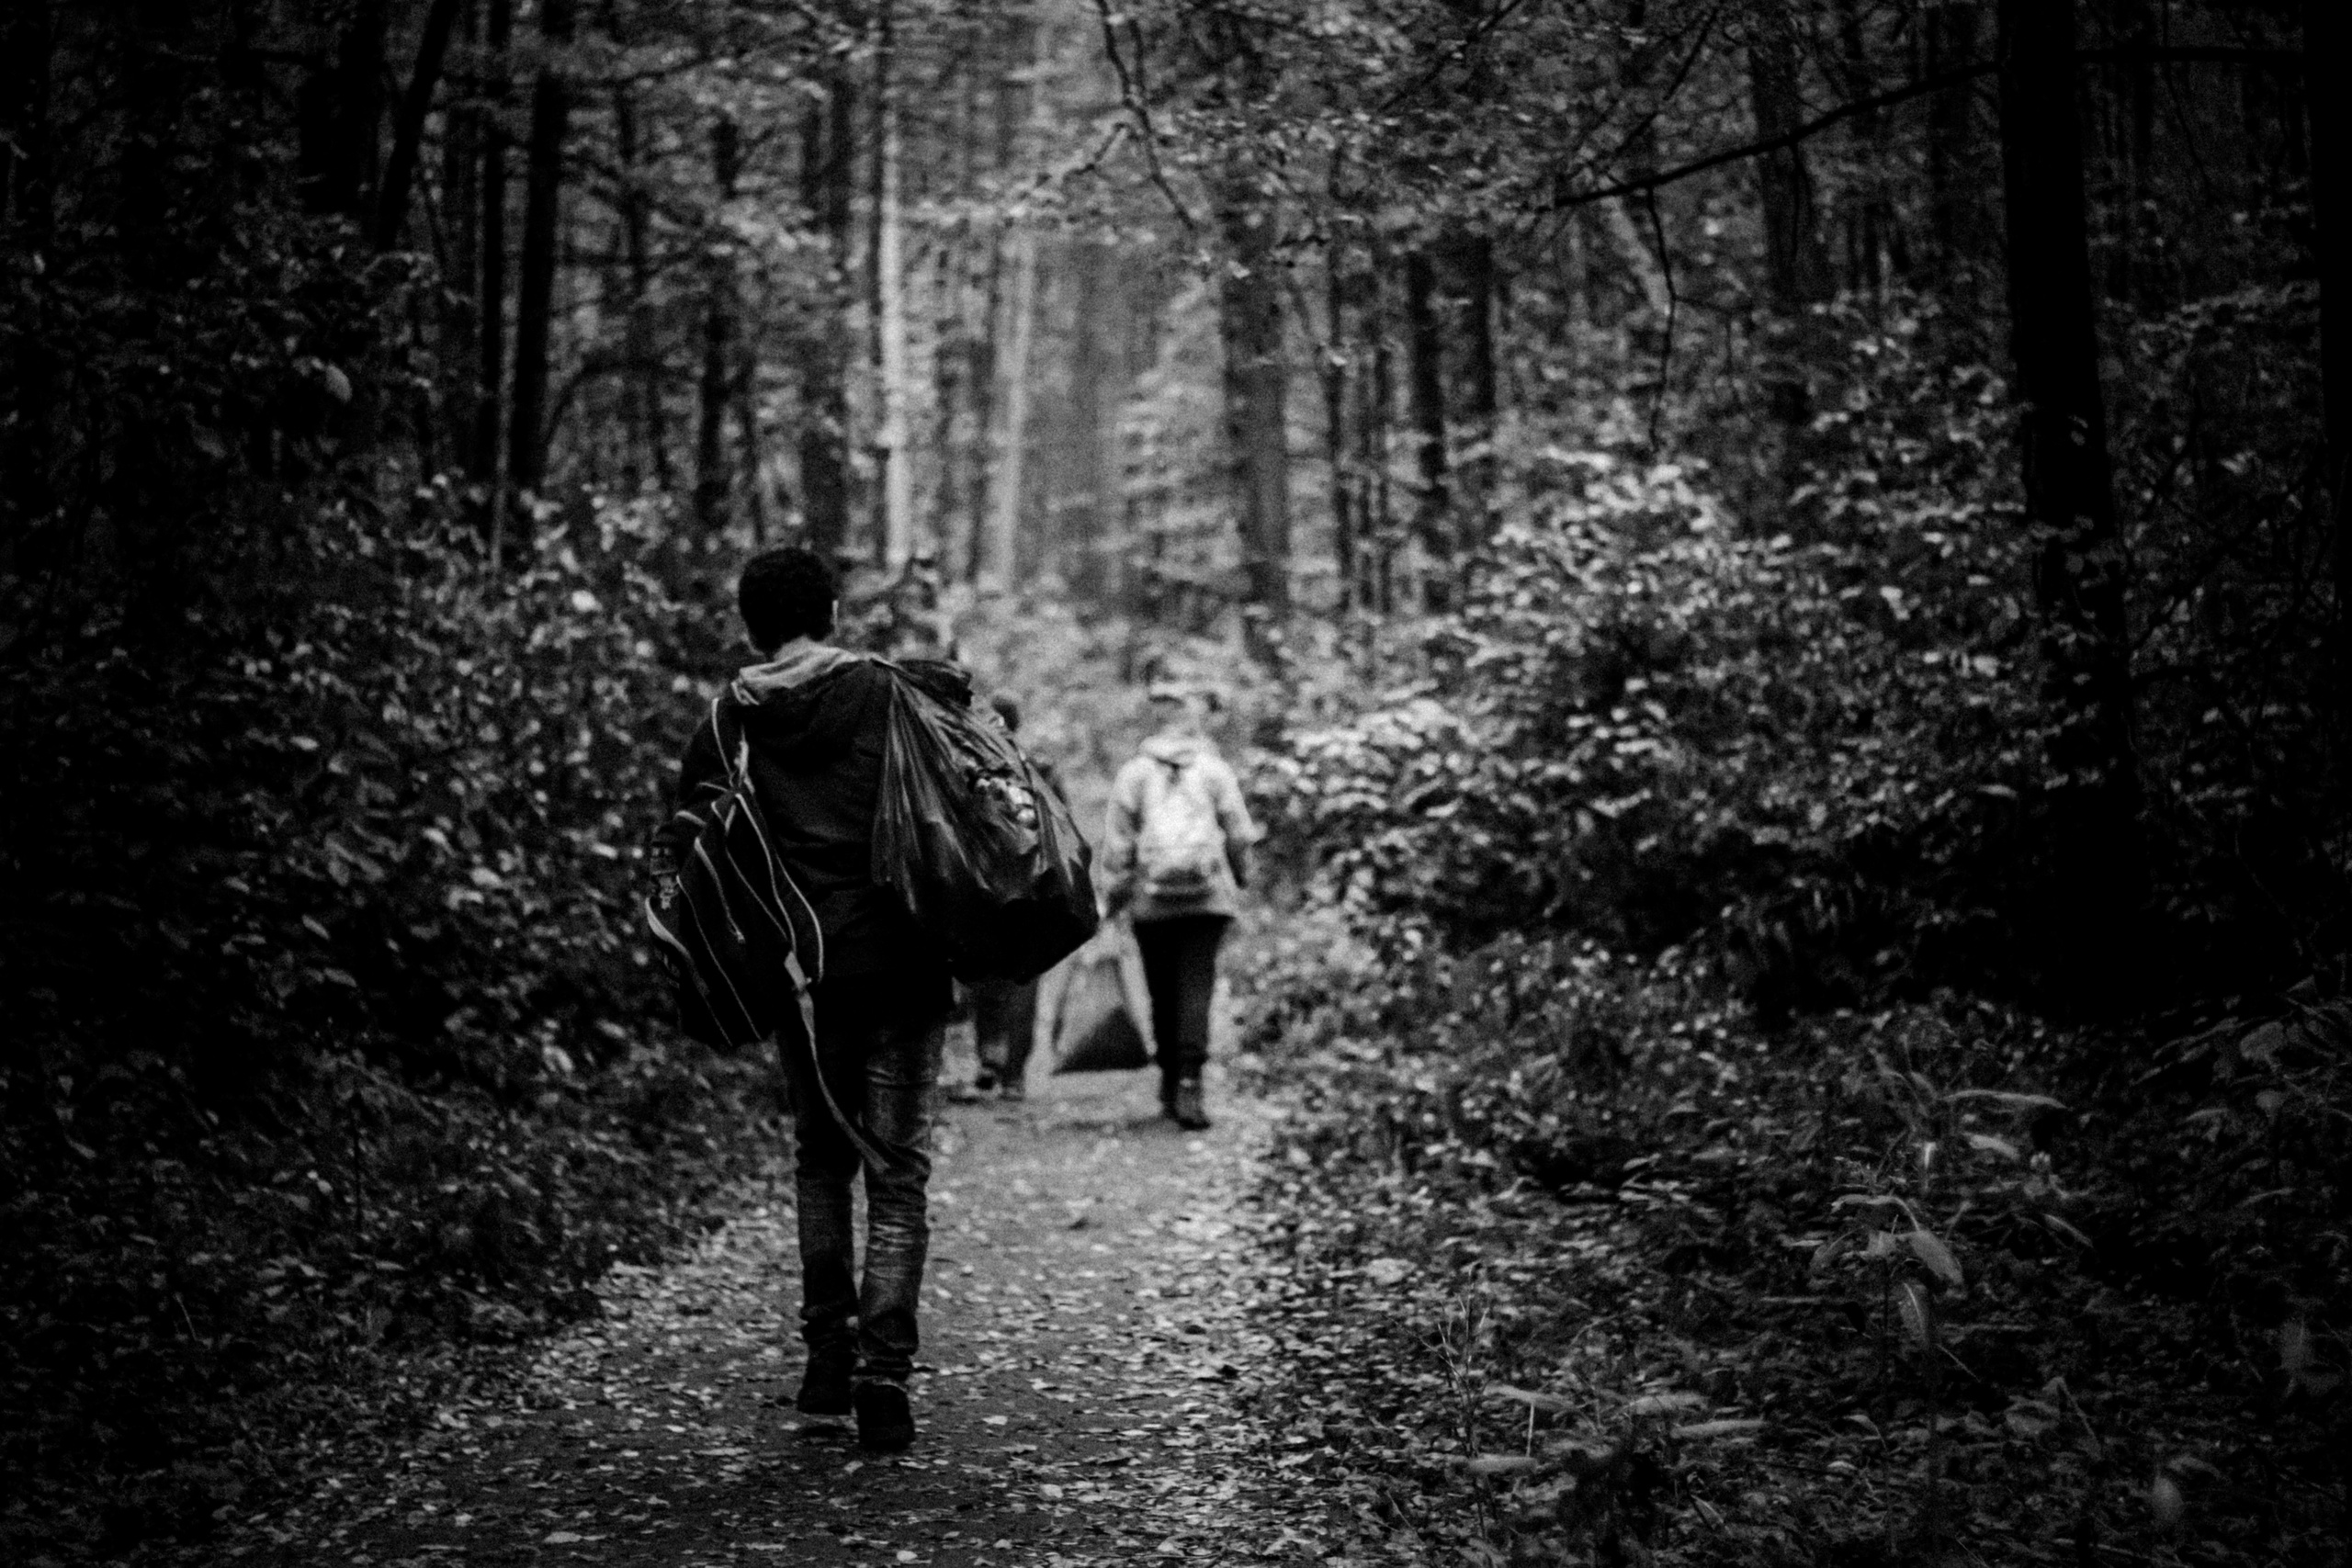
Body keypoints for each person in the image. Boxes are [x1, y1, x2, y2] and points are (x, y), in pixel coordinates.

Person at [659, 546, 950, 1452]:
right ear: (831, 610)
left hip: (799, 978)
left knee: (822, 1162)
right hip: (900, 963)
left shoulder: (724, 723)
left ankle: (826, 1367)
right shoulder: (889, 694)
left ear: (749, 624)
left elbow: (691, 855)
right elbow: (947, 813)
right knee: (897, 1173)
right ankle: (885, 1381)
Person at [1101, 682, 1260, 1131]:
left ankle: (1169, 1083)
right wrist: (1241, 878)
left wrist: (1113, 897)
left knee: (1161, 989)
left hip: (1150, 903)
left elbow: (1118, 845)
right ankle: (1191, 1083)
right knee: (1196, 988)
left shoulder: (1134, 773)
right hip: (1208, 901)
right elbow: (1239, 832)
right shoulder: (1213, 770)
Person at [965, 693, 1056, 1101]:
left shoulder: (970, 766)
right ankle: (1015, 1074)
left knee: (987, 978)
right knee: (1024, 980)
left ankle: (989, 1057)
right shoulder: (1040, 769)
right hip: (1031, 892)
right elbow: (1061, 831)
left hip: (984, 891)